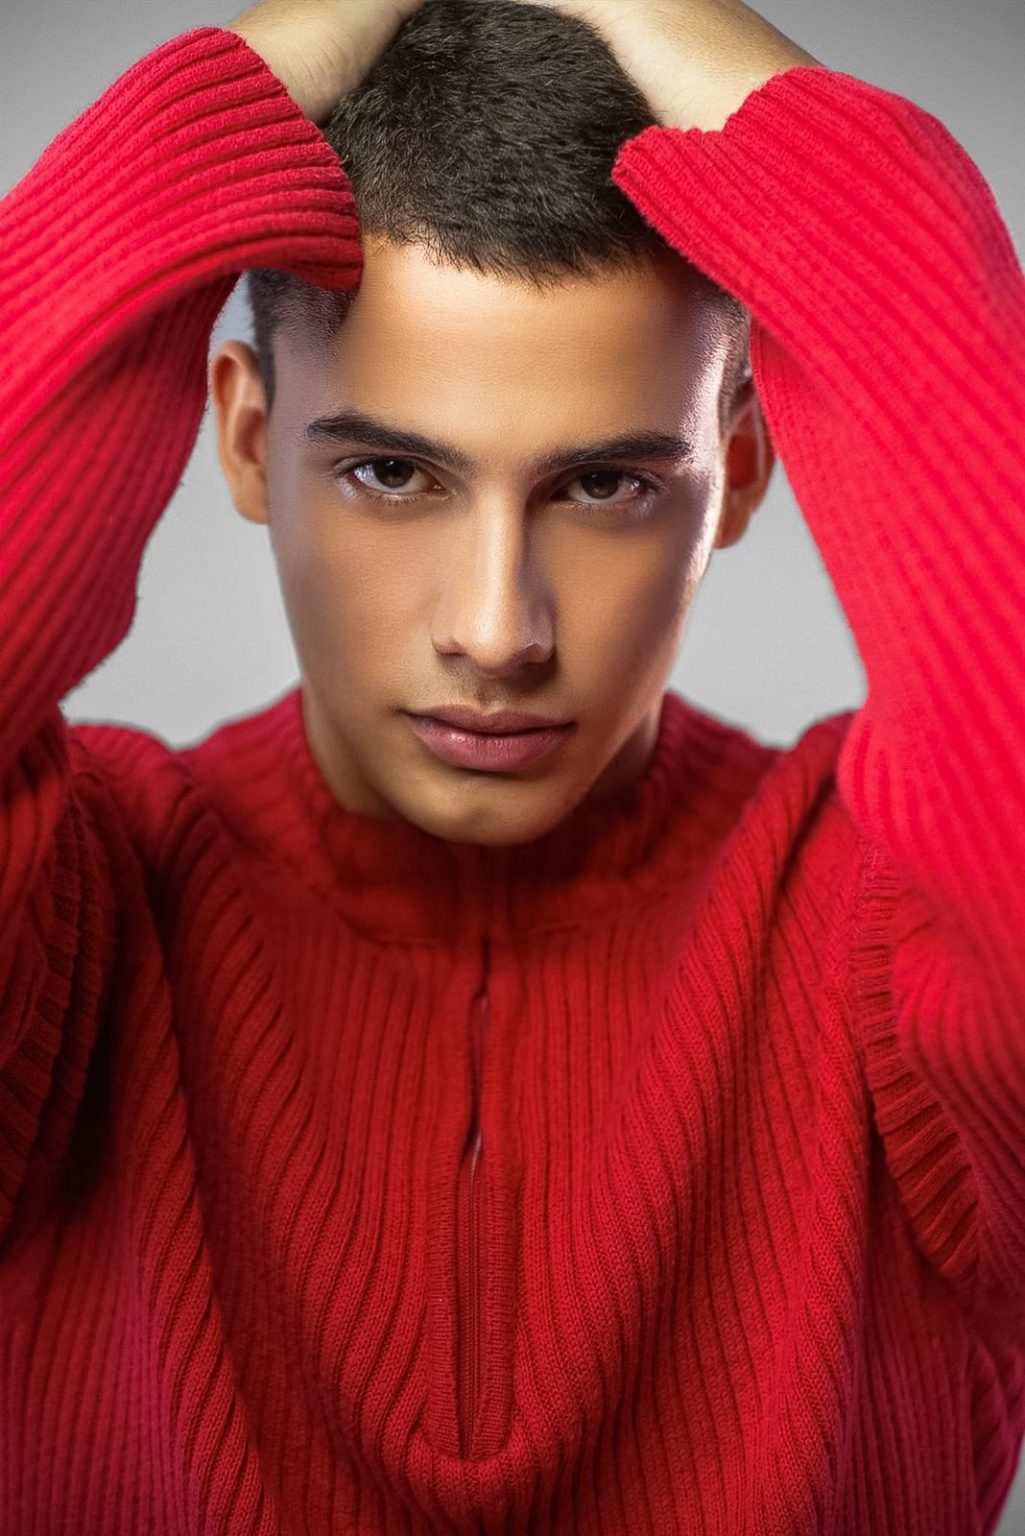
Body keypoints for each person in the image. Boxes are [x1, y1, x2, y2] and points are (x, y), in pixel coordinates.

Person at [0, 0, 1022, 1530]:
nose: (496, 632)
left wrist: (762, 102)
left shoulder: (880, 930)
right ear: (245, 439)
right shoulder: (70, 922)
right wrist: (226, 92)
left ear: (739, 468)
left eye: (604, 485)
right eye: (389, 471)